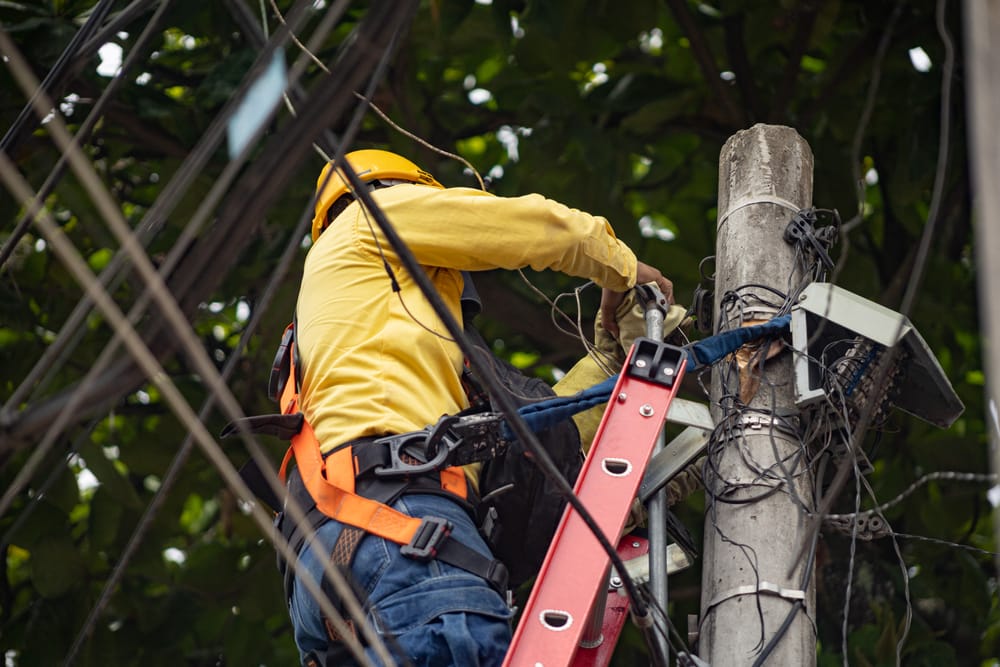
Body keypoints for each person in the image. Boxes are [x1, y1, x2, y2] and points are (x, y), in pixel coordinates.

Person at [285, 148, 673, 666]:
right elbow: (530, 227)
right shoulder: (369, 217)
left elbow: (533, 439)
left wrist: (610, 358)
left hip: (329, 574)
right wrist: (623, 268)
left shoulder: (370, 340)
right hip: (401, 534)